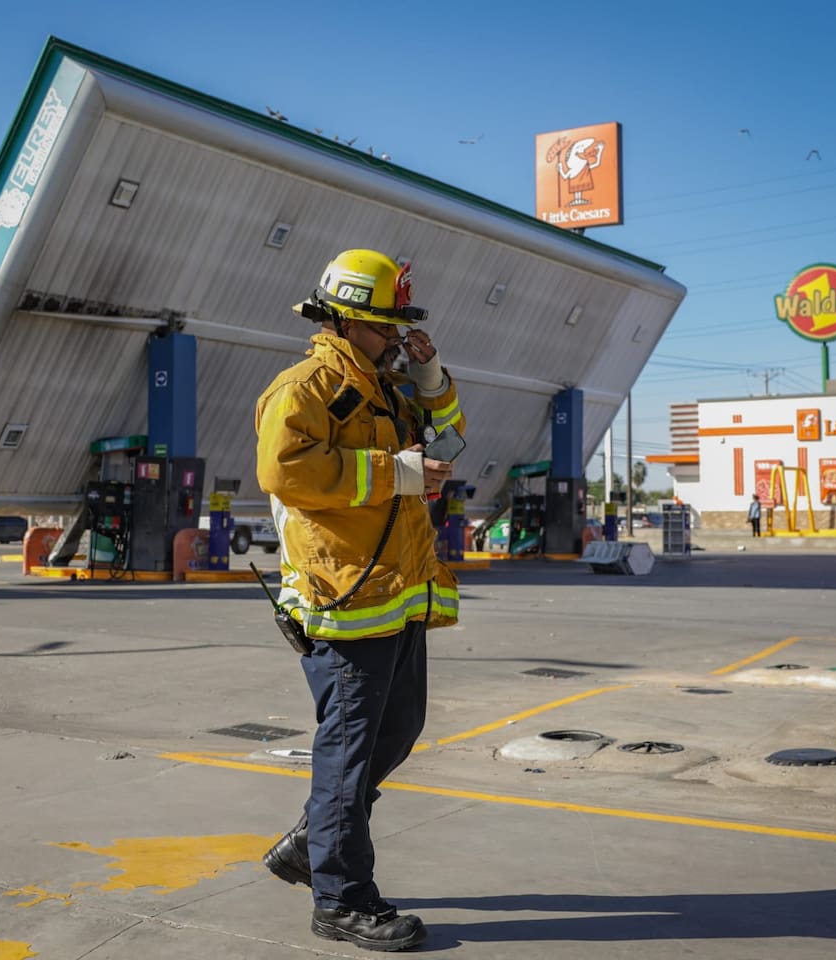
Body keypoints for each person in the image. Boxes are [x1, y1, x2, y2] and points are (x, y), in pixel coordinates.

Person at [255, 249, 465, 952]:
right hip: (344, 599)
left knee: (397, 731)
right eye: (385, 327)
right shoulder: (307, 386)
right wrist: (394, 472)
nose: (393, 339)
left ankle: (311, 845)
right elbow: (284, 469)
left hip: (395, 592)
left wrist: (432, 376)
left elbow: (453, 440)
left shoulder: (391, 387)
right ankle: (340, 898)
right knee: (346, 755)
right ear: (345, 319)